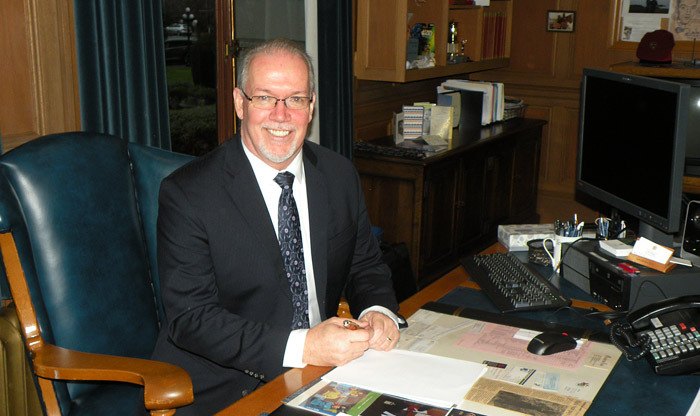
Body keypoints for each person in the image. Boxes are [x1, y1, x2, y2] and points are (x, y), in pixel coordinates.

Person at [151, 38, 402, 415]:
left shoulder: (338, 174)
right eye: (265, 98)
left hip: (329, 373)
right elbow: (191, 319)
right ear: (239, 103)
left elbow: (365, 264)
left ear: (311, 106)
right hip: (229, 388)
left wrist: (377, 311)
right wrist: (304, 347)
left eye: (296, 99)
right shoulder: (188, 193)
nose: (281, 116)